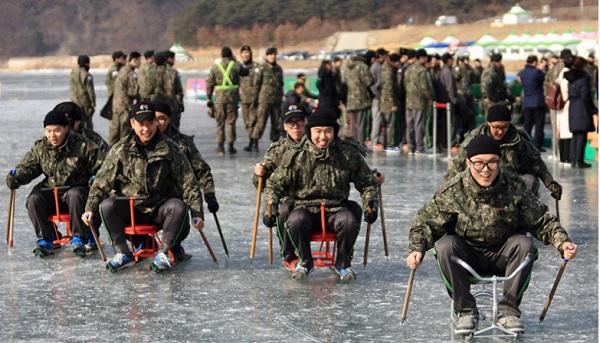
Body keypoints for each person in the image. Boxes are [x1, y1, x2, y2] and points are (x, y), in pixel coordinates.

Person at [407, 134, 577, 335]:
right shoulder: (453, 191)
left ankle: (508, 311)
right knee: (445, 246)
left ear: (500, 162)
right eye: (479, 164)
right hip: (467, 256)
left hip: (503, 255)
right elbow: (425, 222)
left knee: (525, 244)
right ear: (468, 163)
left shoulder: (514, 186)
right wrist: (417, 248)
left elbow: (541, 220)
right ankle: (465, 311)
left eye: (492, 163)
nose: (485, 170)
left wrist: (562, 242)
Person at [82, 101, 205, 272]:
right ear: (132, 123)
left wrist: (197, 214)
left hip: (160, 209)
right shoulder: (120, 149)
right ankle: (123, 253)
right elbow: (102, 182)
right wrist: (90, 209)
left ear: (155, 122)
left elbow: (189, 183)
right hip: (131, 209)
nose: (145, 129)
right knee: (107, 206)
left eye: (149, 123)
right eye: (141, 124)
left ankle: (163, 252)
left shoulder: (171, 148)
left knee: (178, 207)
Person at [263, 109, 379, 281]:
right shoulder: (297, 155)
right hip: (305, 209)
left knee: (349, 220)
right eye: (318, 132)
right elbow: (275, 184)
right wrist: (270, 208)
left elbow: (367, 182)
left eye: (328, 131)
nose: (323, 137)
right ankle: (305, 261)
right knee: (295, 220)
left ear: (334, 132)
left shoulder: (346, 154)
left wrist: (370, 204)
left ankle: (343, 263)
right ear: (310, 132)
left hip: (336, 209)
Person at [6, 109, 104, 256]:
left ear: (66, 128)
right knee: (34, 199)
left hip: (76, 191)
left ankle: (79, 236)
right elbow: (29, 167)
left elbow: (102, 167)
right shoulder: (41, 148)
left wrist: (95, 179)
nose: (52, 135)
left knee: (75, 195)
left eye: (57, 130)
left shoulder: (83, 145)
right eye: (48, 131)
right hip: (51, 191)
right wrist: (16, 177)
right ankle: (47, 238)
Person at [447, 104, 562, 199]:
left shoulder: (519, 139)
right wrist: (446, 192)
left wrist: (550, 184)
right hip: (481, 185)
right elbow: (457, 166)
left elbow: (536, 162)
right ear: (488, 124)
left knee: (530, 180)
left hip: (511, 185)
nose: (501, 131)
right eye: (496, 127)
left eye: (505, 127)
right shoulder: (474, 139)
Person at [254, 105, 308, 269]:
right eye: (291, 123)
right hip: (285, 197)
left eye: (298, 122)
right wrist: (259, 173)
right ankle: (288, 254)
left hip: (311, 196)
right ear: (284, 126)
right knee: (283, 211)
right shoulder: (278, 150)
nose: (295, 127)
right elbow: (261, 184)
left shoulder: (315, 145)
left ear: (305, 123)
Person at [153, 100, 219, 213]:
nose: (157, 123)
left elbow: (202, 171)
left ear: (168, 120)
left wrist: (210, 195)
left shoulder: (183, 143)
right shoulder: (139, 142)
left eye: (161, 118)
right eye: (153, 118)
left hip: (176, 202)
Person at [206, 46, 249, 155]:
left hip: (220, 98)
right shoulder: (235, 64)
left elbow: (210, 83)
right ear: (230, 55)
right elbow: (245, 72)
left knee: (220, 122)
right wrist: (235, 60)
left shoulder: (215, 67)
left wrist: (209, 97)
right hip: (233, 98)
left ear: (221, 55)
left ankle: (220, 147)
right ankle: (231, 145)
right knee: (231, 122)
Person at [565, 56, 598, 168]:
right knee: (582, 135)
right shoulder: (583, 79)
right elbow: (586, 96)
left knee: (575, 135)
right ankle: (579, 160)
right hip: (582, 108)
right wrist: (593, 109)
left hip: (573, 107)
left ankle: (574, 160)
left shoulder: (570, 79)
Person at [404, 48, 433, 154]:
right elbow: (424, 87)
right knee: (418, 125)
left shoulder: (408, 69)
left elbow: (405, 84)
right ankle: (419, 148)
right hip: (419, 102)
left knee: (410, 126)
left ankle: (411, 147)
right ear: (422, 58)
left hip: (409, 101)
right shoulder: (422, 70)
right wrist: (429, 98)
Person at [109, 51, 140, 145]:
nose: (140, 63)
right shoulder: (130, 72)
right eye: (139, 61)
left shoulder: (122, 69)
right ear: (134, 60)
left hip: (117, 105)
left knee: (115, 131)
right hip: (125, 106)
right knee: (125, 132)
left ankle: (110, 152)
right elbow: (132, 91)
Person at [342, 53, 373, 145]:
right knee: (361, 124)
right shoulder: (363, 66)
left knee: (353, 124)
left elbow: (344, 82)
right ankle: (360, 144)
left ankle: (354, 144)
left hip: (350, 99)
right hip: (361, 99)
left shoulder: (347, 68)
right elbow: (368, 81)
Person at [255, 47, 284, 144]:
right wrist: (256, 100)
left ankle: (274, 142)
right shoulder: (262, 68)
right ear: (267, 56)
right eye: (271, 55)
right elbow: (256, 84)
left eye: (274, 55)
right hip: (265, 100)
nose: (273, 56)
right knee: (261, 122)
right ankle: (254, 141)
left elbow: (281, 84)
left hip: (276, 100)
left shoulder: (279, 69)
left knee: (276, 123)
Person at [517, 55, 547, 150]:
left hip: (527, 102)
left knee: (527, 125)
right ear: (534, 62)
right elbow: (544, 78)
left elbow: (518, 78)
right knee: (539, 125)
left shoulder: (522, 72)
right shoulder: (538, 72)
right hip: (538, 102)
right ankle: (537, 145)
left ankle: (526, 145)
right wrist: (542, 68)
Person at [239, 45, 262, 152]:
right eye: (243, 53)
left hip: (255, 99)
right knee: (247, 122)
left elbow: (261, 83)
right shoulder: (238, 68)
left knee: (255, 121)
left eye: (247, 52)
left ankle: (254, 142)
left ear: (250, 54)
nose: (245, 55)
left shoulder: (257, 67)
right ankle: (251, 141)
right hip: (244, 99)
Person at [378, 53, 401, 150]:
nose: (399, 64)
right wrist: (392, 104)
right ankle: (389, 145)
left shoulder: (387, 68)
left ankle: (386, 144)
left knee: (386, 124)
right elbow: (388, 89)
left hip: (384, 101)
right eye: (398, 62)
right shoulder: (388, 72)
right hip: (388, 102)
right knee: (390, 124)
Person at [69, 55, 96, 130]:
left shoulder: (72, 73)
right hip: (85, 103)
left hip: (74, 102)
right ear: (86, 63)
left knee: (77, 124)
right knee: (87, 125)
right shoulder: (87, 75)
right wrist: (93, 104)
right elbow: (90, 91)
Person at [556, 55, 574, 163]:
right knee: (567, 132)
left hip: (559, 105)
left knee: (561, 132)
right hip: (567, 104)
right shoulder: (568, 76)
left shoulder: (560, 74)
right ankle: (567, 157)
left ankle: (562, 157)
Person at [369, 48, 388, 149]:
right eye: (385, 55)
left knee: (377, 119)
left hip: (377, 96)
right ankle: (374, 140)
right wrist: (378, 95)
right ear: (381, 56)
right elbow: (376, 84)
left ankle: (376, 139)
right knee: (377, 119)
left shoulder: (376, 66)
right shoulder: (377, 67)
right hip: (377, 97)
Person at [165, 50, 185, 128]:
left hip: (160, 104)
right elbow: (178, 90)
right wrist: (180, 104)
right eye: (174, 59)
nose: (174, 61)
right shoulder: (173, 72)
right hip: (172, 104)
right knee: (173, 127)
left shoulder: (155, 70)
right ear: (170, 59)